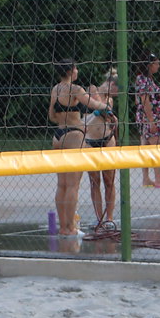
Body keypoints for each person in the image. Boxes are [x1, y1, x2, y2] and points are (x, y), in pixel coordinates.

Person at [47, 62, 94, 238]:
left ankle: (63, 227)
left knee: (62, 184)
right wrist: (106, 108)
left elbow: (52, 116)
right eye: (75, 68)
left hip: (58, 135)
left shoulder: (56, 89)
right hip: (74, 136)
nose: (77, 71)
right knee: (73, 185)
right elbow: (93, 104)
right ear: (70, 71)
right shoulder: (76, 89)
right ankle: (70, 227)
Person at [83, 65, 121, 233]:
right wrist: (107, 113)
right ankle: (99, 218)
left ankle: (109, 218)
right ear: (111, 85)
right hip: (91, 141)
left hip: (107, 140)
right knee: (94, 182)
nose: (116, 95)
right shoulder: (92, 90)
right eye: (117, 90)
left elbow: (107, 113)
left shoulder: (109, 99)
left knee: (109, 181)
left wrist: (111, 117)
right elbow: (97, 107)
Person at [132, 51, 160, 189]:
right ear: (149, 65)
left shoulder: (145, 79)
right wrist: (151, 120)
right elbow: (145, 100)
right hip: (150, 117)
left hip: (146, 116)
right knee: (156, 146)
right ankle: (158, 178)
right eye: (156, 63)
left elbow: (137, 99)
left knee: (145, 145)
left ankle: (146, 179)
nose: (158, 66)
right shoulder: (143, 79)